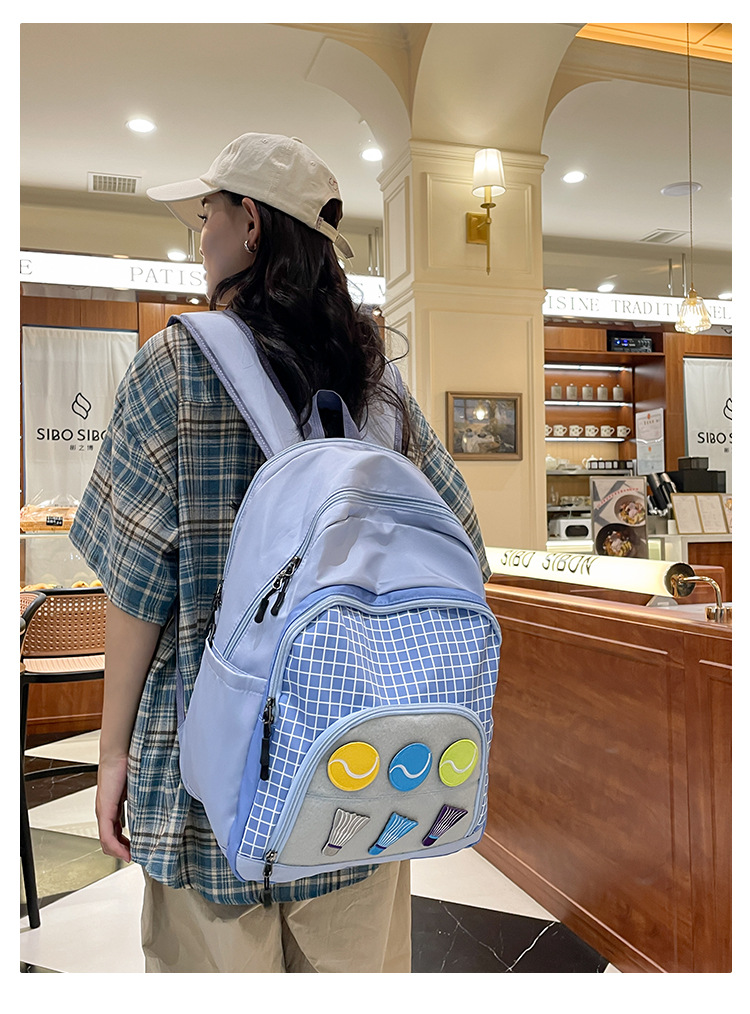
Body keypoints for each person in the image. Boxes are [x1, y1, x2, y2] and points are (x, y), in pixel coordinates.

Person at [70, 133, 491, 973]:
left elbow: (135, 590)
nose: (201, 239)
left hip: (212, 792)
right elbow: (466, 549)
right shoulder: (378, 387)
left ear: (250, 224)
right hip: (356, 773)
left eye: (207, 217)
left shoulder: (174, 366)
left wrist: (113, 754)